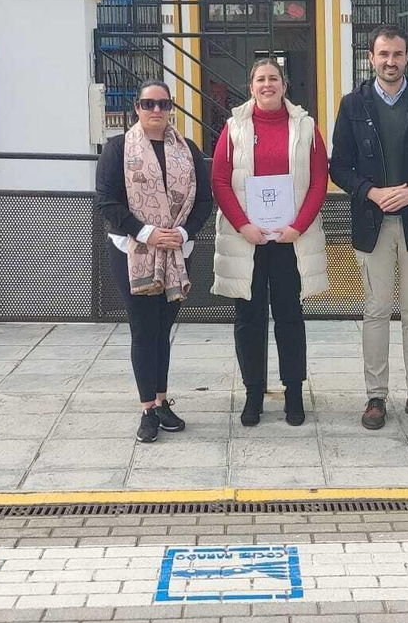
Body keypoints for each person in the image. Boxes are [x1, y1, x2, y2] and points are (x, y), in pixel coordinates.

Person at [329, 25, 408, 430]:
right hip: (373, 223)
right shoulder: (353, 104)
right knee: (376, 309)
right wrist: (370, 192)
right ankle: (376, 397)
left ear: (407, 58)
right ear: (371, 57)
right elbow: (339, 167)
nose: (391, 61)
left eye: (398, 54)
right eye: (383, 54)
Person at [210, 59, 330, 428]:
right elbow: (220, 180)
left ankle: (294, 392)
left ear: (284, 84)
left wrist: (298, 225)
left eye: (273, 78)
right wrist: (244, 225)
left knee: (290, 317)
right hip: (248, 241)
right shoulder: (233, 128)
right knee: (249, 318)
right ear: (251, 87)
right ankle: (253, 393)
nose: (267, 85)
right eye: (260, 79)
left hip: (290, 240)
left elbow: (319, 181)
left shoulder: (306, 127)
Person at [96, 81, 214, 444]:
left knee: (163, 330)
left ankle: (162, 401)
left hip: (177, 251)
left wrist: (184, 233)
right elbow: (107, 202)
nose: (156, 111)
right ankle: (147, 408)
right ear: (137, 108)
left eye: (163, 104)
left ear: (171, 108)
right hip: (134, 252)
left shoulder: (187, 150)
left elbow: (204, 202)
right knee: (143, 329)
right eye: (149, 104)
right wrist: (147, 233)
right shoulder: (118, 149)